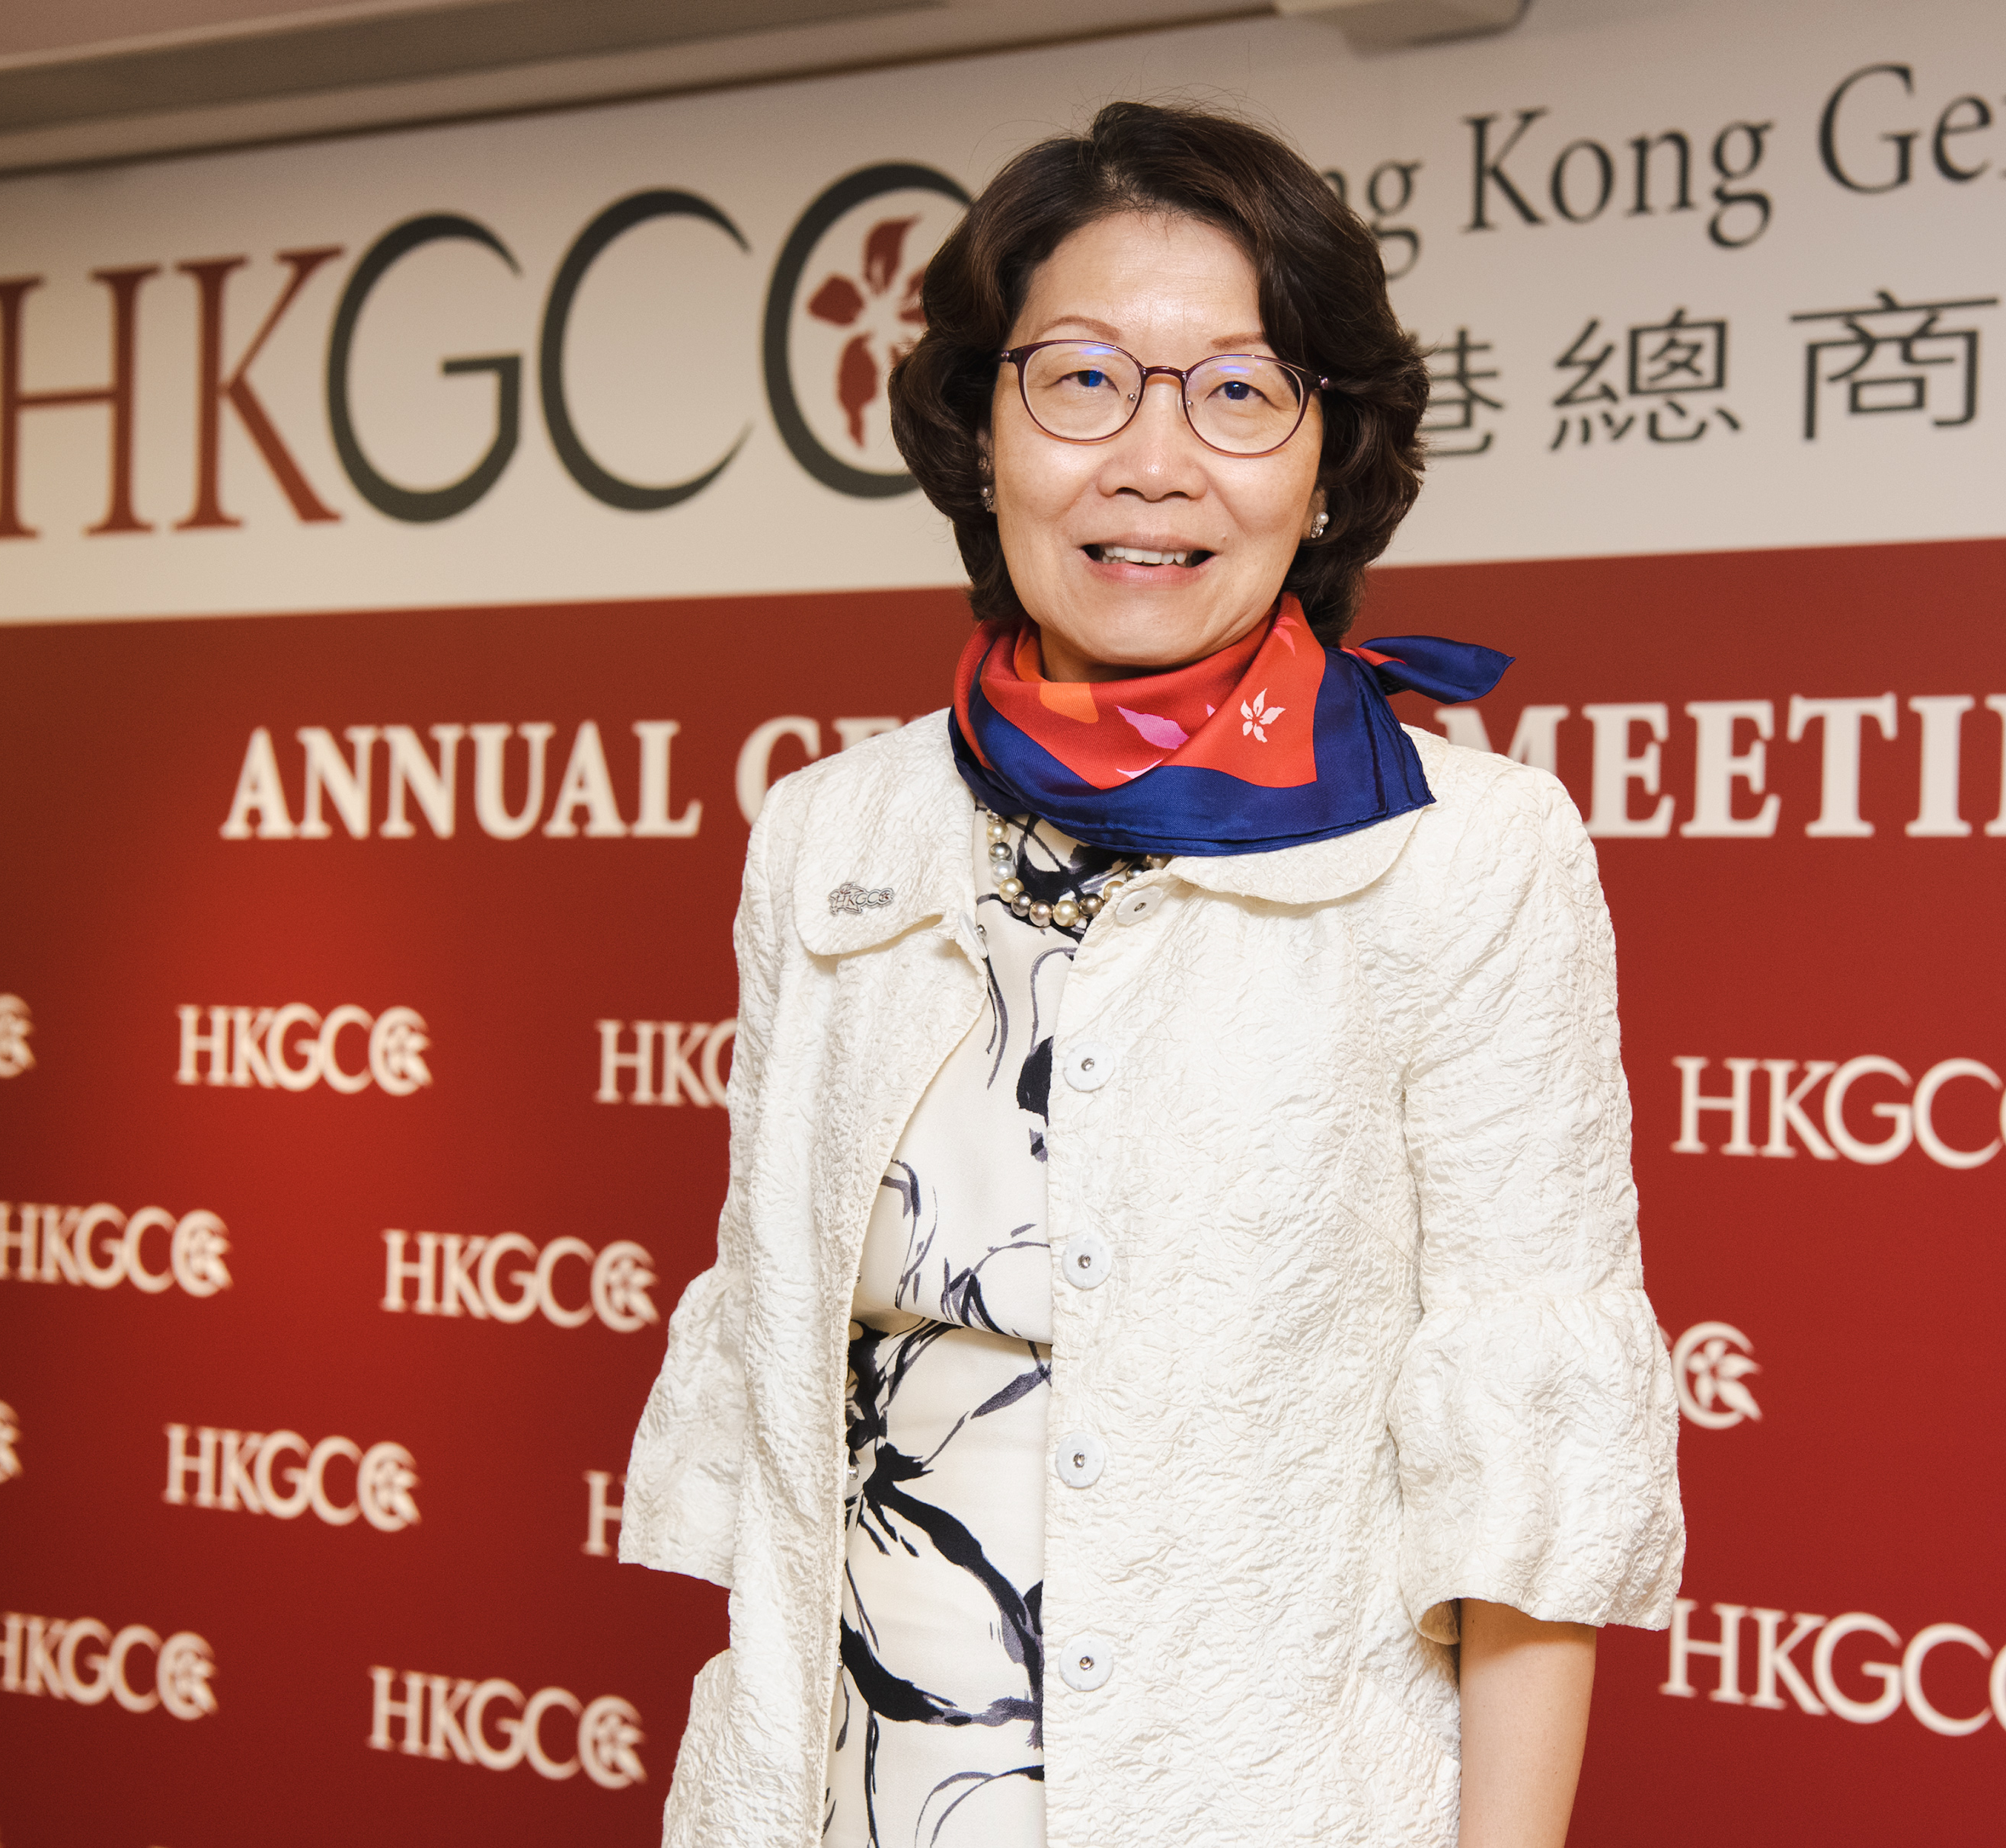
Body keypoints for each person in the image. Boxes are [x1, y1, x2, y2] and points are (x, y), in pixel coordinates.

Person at [621, 100, 1682, 1848]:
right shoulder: (829, 833)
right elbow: (788, 1415)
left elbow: (1527, 1457)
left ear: (1327, 459)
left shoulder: (1467, 854)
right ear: (981, 436)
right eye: (1083, 380)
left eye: (1237, 391)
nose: (1152, 460)